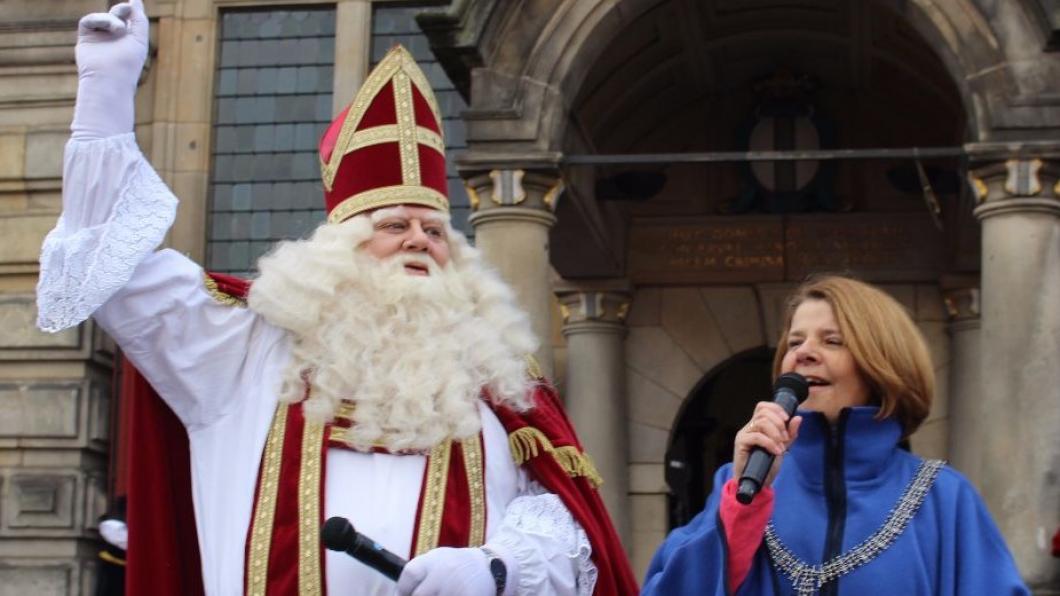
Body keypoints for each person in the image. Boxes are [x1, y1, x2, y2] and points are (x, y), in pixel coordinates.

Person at [35, 1, 638, 594]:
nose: (419, 243)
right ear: (339, 249)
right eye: (393, 226)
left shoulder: (496, 382)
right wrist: (105, 97)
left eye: (434, 231)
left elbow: (564, 530)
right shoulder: (245, 350)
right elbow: (115, 271)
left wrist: (498, 568)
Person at [641, 276, 1029, 595]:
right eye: (795, 342)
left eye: (832, 341)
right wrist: (742, 512)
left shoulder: (944, 498)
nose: (804, 353)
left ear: (881, 363)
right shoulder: (736, 485)